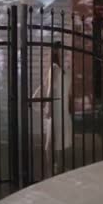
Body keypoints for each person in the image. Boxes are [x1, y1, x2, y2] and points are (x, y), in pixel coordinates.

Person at [32, 41, 73, 175]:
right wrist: (49, 108)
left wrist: (50, 108)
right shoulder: (60, 69)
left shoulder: (59, 68)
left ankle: (54, 169)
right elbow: (52, 89)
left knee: (54, 143)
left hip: (59, 109)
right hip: (59, 109)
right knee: (55, 142)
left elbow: (55, 89)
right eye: (62, 50)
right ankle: (55, 169)